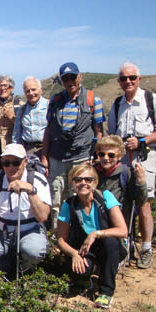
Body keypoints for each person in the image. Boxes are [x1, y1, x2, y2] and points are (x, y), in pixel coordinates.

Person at [107, 62, 156, 269]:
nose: (128, 81)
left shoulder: (152, 100)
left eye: (132, 77)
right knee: (123, 203)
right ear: (119, 81)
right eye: (124, 78)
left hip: (144, 158)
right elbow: (111, 134)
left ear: (139, 79)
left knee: (143, 204)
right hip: (122, 160)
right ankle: (125, 247)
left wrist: (142, 141)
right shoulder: (117, 104)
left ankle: (146, 249)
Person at [41, 62, 105, 229]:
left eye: (73, 77)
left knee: (79, 195)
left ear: (80, 77)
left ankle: (78, 232)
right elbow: (48, 129)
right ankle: (57, 233)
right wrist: (44, 156)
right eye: (66, 79)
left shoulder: (93, 100)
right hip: (57, 157)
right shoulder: (55, 101)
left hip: (81, 157)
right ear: (62, 81)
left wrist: (94, 155)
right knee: (55, 197)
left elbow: (99, 131)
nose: (70, 82)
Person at [56, 164, 128, 309]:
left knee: (111, 242)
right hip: (83, 250)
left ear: (94, 182)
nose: (83, 183)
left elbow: (122, 230)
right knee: (78, 268)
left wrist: (95, 234)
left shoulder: (105, 197)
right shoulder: (68, 205)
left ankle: (106, 292)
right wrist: (74, 254)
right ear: (72, 184)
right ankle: (86, 277)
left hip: (107, 247)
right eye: (78, 180)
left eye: (88, 179)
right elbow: (61, 240)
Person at [0, 144, 51, 277]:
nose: (10, 167)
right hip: (1, 233)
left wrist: (30, 190)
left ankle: (26, 269)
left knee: (33, 252)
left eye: (16, 162)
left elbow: (43, 216)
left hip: (30, 231)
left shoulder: (37, 180)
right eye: (6, 163)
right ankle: (9, 265)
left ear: (25, 161)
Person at [95, 135, 147, 235]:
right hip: (96, 223)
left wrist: (141, 182)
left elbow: (140, 201)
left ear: (120, 156)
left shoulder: (127, 173)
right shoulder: (92, 172)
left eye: (111, 155)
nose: (106, 158)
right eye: (102, 154)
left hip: (119, 225)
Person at [12, 76, 49, 157]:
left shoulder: (49, 106)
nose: (31, 93)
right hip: (28, 151)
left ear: (40, 90)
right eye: (27, 91)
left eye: (33, 89)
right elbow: (16, 135)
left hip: (47, 150)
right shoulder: (21, 110)